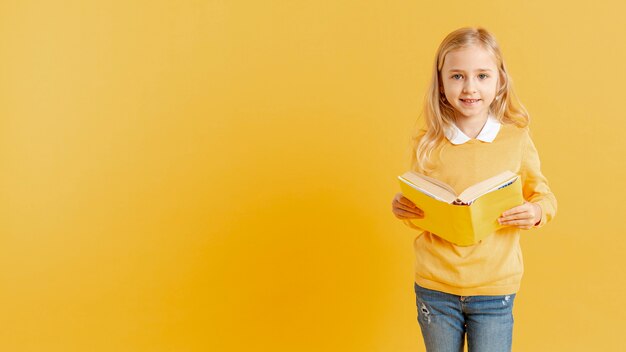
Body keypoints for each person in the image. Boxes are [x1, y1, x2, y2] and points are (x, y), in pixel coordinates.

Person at [391, 27, 557, 352]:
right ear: (441, 83)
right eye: (457, 76)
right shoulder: (427, 143)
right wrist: (404, 209)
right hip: (435, 287)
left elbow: (544, 196)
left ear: (499, 82)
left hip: (495, 288)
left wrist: (535, 212)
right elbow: (420, 208)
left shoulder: (516, 139)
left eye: (482, 75)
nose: (470, 88)